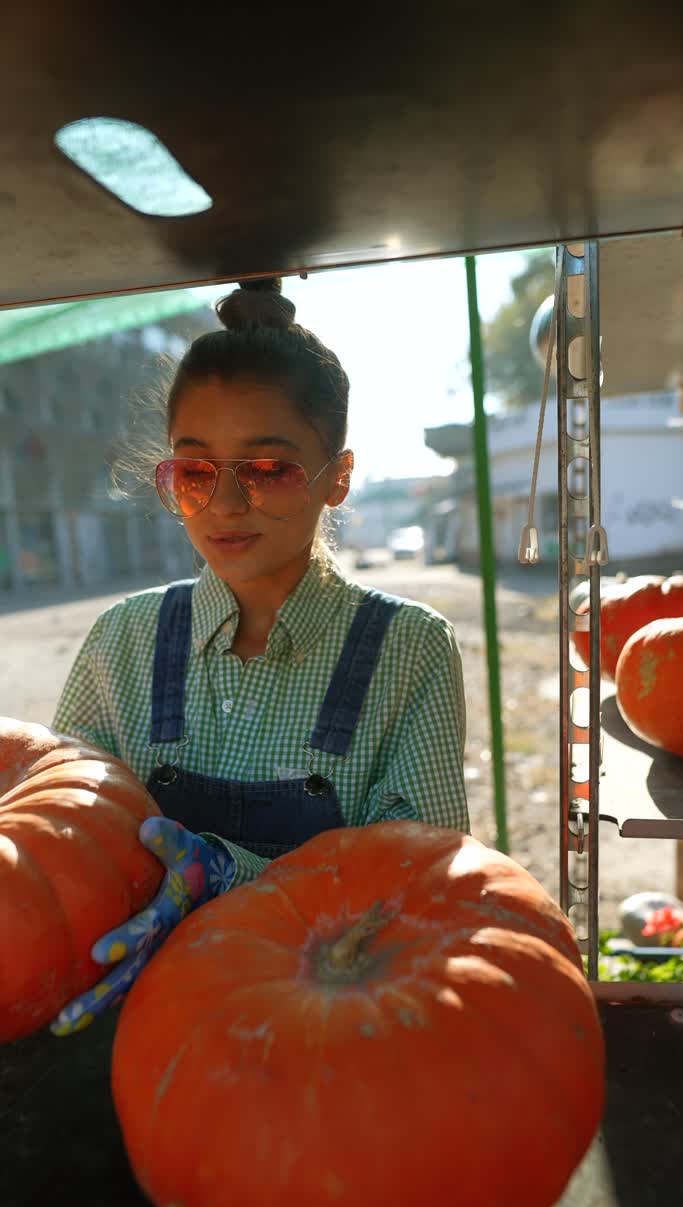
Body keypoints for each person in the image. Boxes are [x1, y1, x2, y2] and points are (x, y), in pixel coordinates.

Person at [50, 276, 470, 1036]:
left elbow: (417, 884)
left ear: (336, 476)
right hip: (142, 1021)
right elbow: (68, 848)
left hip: (325, 1037)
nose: (227, 505)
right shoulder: (122, 641)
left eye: (269, 469)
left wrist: (228, 875)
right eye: (196, 471)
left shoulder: (409, 649)